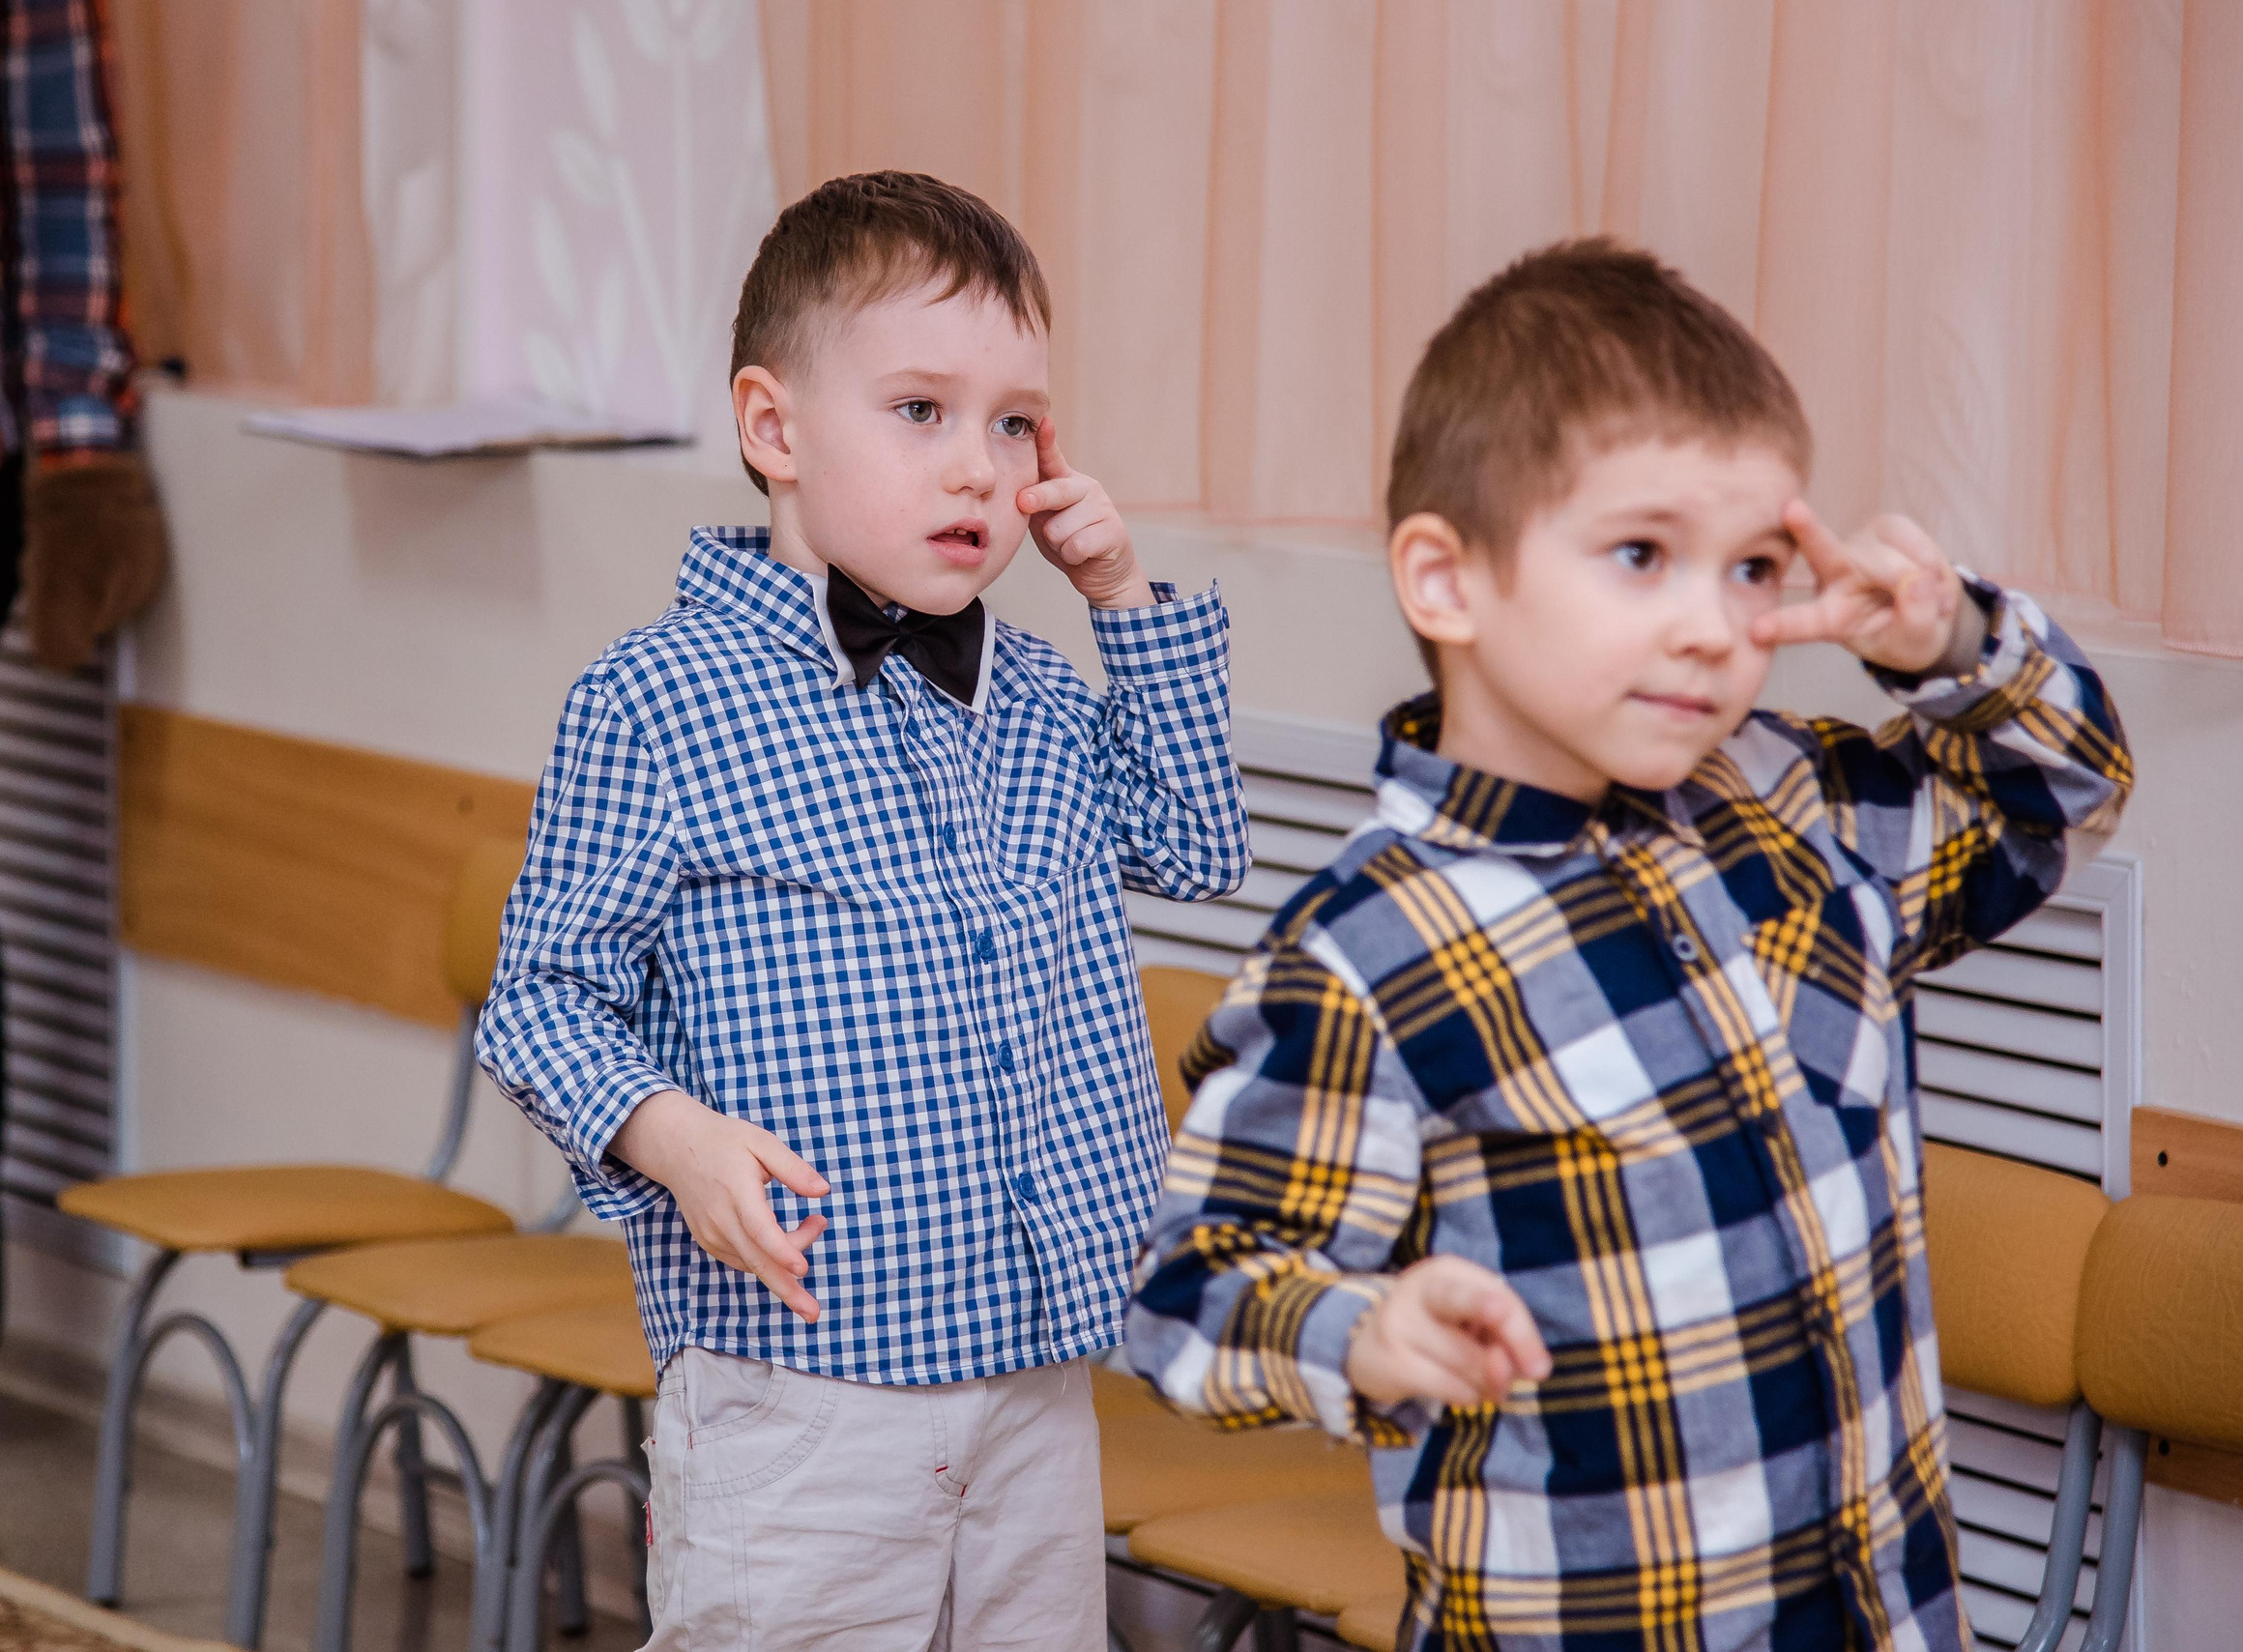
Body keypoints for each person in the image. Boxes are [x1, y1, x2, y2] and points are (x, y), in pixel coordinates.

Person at [1123, 240, 2133, 1651]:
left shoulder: (1799, 800)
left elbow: (2060, 795)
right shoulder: (1370, 950)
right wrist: (1359, 1327)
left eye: (1754, 569)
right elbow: (1189, 1288)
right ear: (1448, 580)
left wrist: (1951, 636)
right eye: (1643, 554)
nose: (1714, 627)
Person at [479, 170, 1247, 1650]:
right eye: (920, 412)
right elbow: (544, 997)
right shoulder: (659, 700)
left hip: (1032, 1363)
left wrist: (1124, 599)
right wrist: (671, 1132)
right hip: (802, 1382)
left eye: (1013, 421)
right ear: (773, 429)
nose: (979, 468)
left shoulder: (1035, 696)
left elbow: (1198, 843)